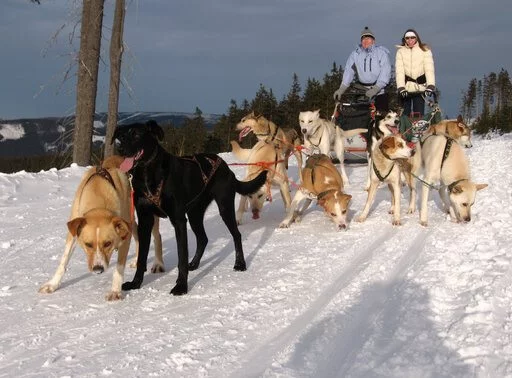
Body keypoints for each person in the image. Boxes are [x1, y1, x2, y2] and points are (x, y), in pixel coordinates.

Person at [333, 26, 391, 112]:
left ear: (373, 41)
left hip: (379, 92)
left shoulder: (382, 53)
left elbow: (385, 73)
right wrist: (341, 89)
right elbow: (349, 72)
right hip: (362, 92)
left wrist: (376, 88)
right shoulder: (355, 54)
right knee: (361, 119)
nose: (365, 41)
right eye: (363, 39)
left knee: (381, 120)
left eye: (368, 38)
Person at [395, 28, 436, 119]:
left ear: (416, 38)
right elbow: (400, 71)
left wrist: (430, 85)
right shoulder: (401, 52)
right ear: (404, 39)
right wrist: (401, 87)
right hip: (406, 89)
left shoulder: (425, 50)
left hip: (420, 88)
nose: (410, 40)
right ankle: (405, 132)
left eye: (412, 38)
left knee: (418, 115)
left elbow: (429, 69)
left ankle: (418, 132)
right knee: (405, 116)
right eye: (407, 38)